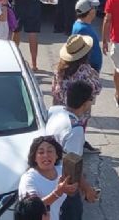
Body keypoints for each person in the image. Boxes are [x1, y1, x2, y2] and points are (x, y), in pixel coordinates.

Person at [45, 80, 100, 219]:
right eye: (91, 100)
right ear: (86, 103)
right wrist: (87, 189)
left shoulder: (55, 111)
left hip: (49, 174)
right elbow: (71, 166)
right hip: (65, 185)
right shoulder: (75, 130)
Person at [18, 136, 77, 220]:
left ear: (56, 155)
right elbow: (32, 209)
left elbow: (78, 178)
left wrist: (82, 188)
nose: (46, 155)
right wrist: (57, 193)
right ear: (34, 157)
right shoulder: (28, 179)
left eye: (50, 151)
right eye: (41, 152)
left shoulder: (61, 170)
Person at [71, 0, 103, 72]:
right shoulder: (83, 29)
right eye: (94, 8)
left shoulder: (80, 25)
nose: (95, 10)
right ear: (90, 12)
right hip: (89, 70)